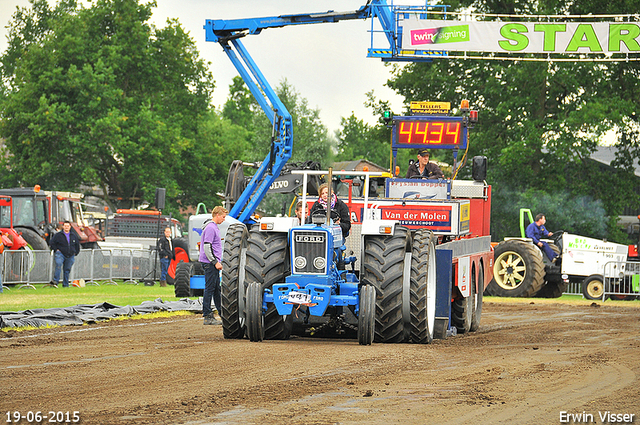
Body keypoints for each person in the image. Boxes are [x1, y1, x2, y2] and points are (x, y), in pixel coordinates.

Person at [200, 206, 228, 325]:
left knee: (217, 289)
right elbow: (207, 247)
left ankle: (223, 314)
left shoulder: (213, 227)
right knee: (210, 289)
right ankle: (207, 315)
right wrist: (215, 262)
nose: (224, 219)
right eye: (223, 217)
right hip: (210, 264)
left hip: (211, 263)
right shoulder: (211, 228)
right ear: (217, 215)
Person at [50, 221, 81, 288]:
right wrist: (56, 249)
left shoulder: (73, 236)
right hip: (60, 254)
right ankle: (55, 282)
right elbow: (52, 243)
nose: (66, 227)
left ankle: (65, 284)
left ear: (70, 227)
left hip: (70, 255)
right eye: (65, 226)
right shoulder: (58, 235)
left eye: (68, 226)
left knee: (67, 269)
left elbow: (77, 245)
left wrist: (75, 252)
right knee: (58, 265)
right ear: (63, 227)